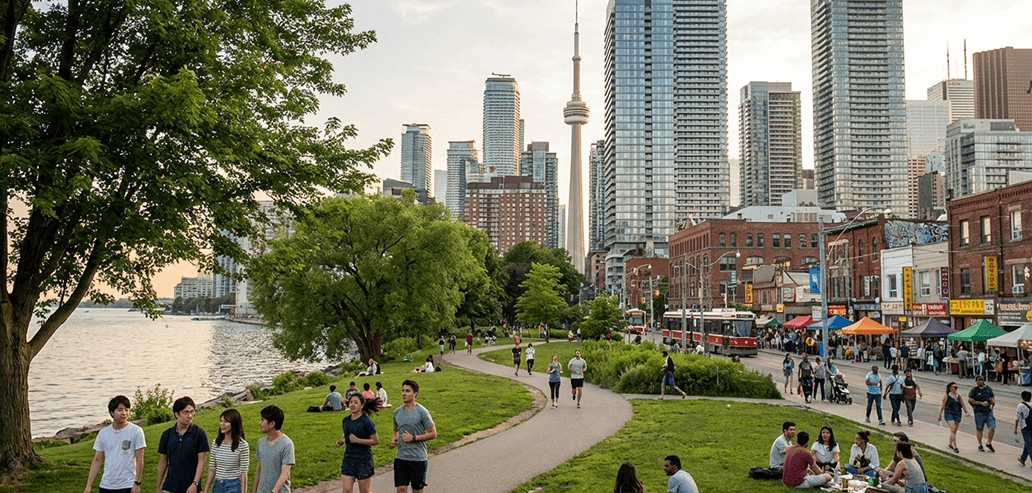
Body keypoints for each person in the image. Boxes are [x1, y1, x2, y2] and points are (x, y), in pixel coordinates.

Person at [83, 395, 146, 493]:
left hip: (127, 485)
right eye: (120, 410)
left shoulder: (136, 431)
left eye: (126, 410)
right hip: (106, 485)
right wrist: (88, 485)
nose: (124, 413)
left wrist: (137, 483)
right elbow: (97, 459)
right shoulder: (103, 433)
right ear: (112, 413)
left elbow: (139, 458)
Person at [391, 380, 437, 493]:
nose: (403, 393)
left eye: (407, 391)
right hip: (401, 457)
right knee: (401, 489)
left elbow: (433, 433)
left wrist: (414, 438)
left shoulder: (422, 412)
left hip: (418, 458)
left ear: (415, 393)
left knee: (417, 490)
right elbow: (395, 430)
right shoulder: (397, 412)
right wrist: (394, 438)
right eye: (402, 391)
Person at [156, 396, 209, 493]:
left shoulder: (199, 433)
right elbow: (163, 461)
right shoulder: (167, 435)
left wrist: (195, 483)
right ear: (176, 414)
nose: (190, 415)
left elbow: (202, 461)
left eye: (192, 411)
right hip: (169, 487)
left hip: (191, 488)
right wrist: (158, 487)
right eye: (186, 412)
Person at [336, 393, 380, 493]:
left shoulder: (367, 421)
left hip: (363, 460)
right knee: (346, 490)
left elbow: (375, 441)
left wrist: (358, 440)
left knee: (364, 491)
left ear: (362, 405)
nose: (352, 404)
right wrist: (342, 441)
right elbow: (346, 433)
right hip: (348, 459)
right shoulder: (346, 420)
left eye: (356, 402)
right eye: (351, 402)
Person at [201, 409, 248, 493]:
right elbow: (212, 468)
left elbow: (243, 472)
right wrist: (205, 490)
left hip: (233, 486)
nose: (222, 424)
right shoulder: (216, 443)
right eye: (221, 421)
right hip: (218, 485)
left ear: (234, 423)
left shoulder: (242, 445)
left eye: (225, 422)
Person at [253, 405, 295, 493]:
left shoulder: (287, 444)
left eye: (262, 420)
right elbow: (258, 470)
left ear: (272, 424)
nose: (259, 423)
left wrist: (274, 491)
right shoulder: (261, 442)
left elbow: (285, 472)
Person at [936, 381, 971, 453]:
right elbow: (942, 406)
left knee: (954, 431)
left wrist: (966, 412)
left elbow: (963, 404)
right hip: (949, 413)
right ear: (950, 388)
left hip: (957, 413)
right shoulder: (947, 396)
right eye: (954, 387)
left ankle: (950, 443)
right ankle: (955, 446)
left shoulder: (959, 396)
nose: (955, 388)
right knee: (952, 429)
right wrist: (939, 415)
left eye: (956, 387)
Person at [968, 374, 997, 452]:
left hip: (988, 411)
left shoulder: (988, 389)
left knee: (992, 427)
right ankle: (980, 444)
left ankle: (989, 442)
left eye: (980, 380)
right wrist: (980, 403)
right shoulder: (974, 390)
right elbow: (970, 400)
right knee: (979, 429)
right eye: (977, 381)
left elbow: (992, 397)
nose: (979, 382)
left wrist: (993, 403)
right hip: (979, 412)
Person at [1016, 390, 1032, 467]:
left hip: (1025, 427)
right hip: (1031, 426)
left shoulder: (1020, 406)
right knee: (1027, 443)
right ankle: (1023, 458)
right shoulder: (1031, 405)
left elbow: (1017, 418)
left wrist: (1015, 429)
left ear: (1022, 397)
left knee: (1029, 445)